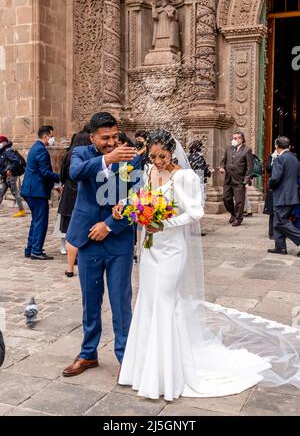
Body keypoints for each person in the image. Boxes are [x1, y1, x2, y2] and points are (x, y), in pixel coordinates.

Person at [114, 129, 300, 401]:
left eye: (162, 156)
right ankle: (142, 370)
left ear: (172, 151)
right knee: (148, 301)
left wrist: (163, 223)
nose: (157, 162)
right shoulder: (150, 172)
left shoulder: (185, 176)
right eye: (152, 156)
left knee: (166, 302)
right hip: (150, 248)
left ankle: (167, 374)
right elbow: (142, 198)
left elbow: (195, 212)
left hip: (172, 249)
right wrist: (126, 206)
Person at [62, 112, 141, 377]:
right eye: (105, 138)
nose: (111, 142)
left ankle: (125, 358)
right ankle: (88, 355)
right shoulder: (82, 153)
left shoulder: (132, 156)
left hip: (118, 240)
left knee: (121, 302)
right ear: (92, 137)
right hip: (87, 242)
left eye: (114, 136)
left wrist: (109, 225)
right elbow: (75, 173)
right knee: (90, 301)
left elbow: (137, 198)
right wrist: (107, 159)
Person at [21, 126, 60, 260]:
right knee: (41, 221)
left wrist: (54, 186)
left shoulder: (35, 147)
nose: (52, 139)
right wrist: (60, 177)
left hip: (31, 190)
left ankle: (31, 248)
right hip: (36, 192)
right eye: (51, 136)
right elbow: (45, 173)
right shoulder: (41, 150)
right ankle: (36, 251)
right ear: (45, 136)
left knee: (36, 220)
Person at [57, 132, 91, 277]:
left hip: (69, 195)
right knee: (82, 226)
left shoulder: (68, 155)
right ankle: (80, 256)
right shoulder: (88, 156)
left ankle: (71, 263)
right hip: (82, 195)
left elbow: (62, 175)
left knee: (71, 229)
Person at [267, 136, 300, 255]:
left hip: (282, 195)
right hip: (292, 194)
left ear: (276, 146)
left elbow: (275, 178)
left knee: (281, 222)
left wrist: (269, 184)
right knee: (278, 221)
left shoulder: (280, 159)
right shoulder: (294, 158)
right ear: (288, 146)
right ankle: (280, 247)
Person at [219, 131, 253, 226]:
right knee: (226, 198)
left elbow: (249, 167)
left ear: (241, 139)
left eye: (235, 138)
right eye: (232, 138)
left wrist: (246, 180)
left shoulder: (247, 150)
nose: (233, 140)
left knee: (239, 201)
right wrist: (222, 167)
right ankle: (233, 214)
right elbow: (223, 160)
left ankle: (238, 218)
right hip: (228, 179)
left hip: (239, 180)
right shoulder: (228, 148)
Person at [0, 135, 26, 217]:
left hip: (10, 176)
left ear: (4, 143)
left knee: (15, 193)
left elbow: (16, 161)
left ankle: (21, 210)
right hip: (5, 177)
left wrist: (10, 170)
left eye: (0, 142)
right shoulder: (3, 151)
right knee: (0, 192)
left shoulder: (8, 151)